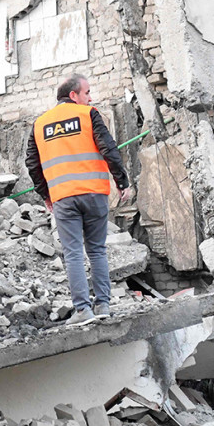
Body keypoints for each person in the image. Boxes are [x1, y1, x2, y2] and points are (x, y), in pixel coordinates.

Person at [26, 74, 133, 327]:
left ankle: (83, 310)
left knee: (73, 253)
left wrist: (46, 195)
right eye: (87, 93)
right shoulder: (89, 115)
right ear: (73, 95)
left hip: (63, 198)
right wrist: (122, 182)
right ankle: (103, 305)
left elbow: (32, 163)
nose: (91, 97)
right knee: (96, 250)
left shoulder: (40, 124)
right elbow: (109, 148)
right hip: (95, 193)